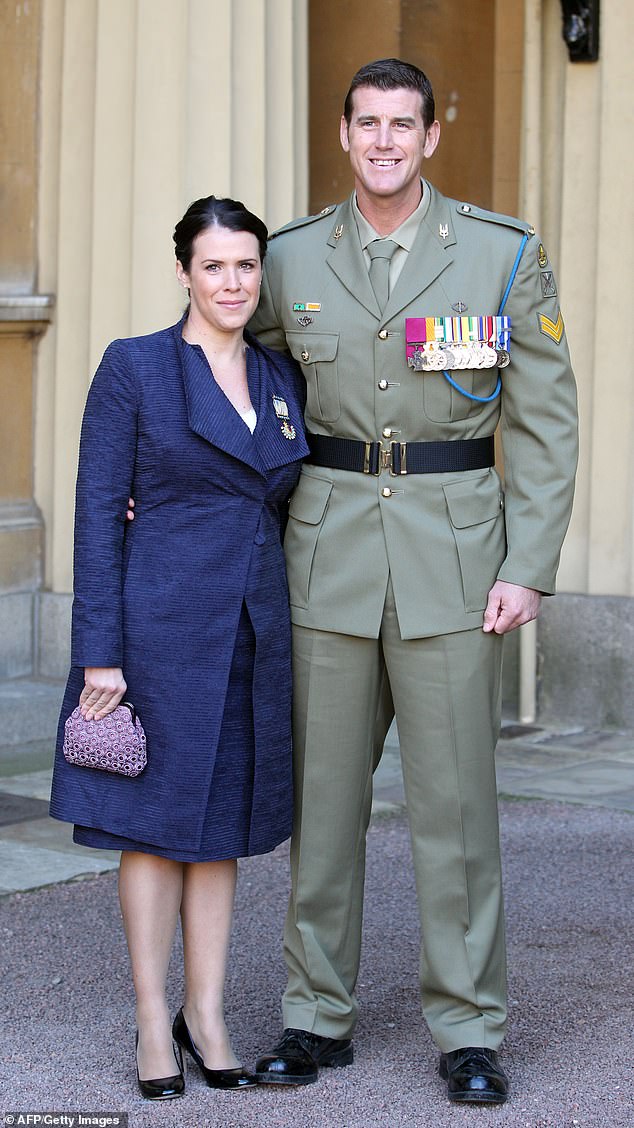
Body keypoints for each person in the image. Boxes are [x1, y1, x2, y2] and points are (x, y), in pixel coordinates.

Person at [249, 59, 578, 1104]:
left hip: (456, 561)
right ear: (344, 136)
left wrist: (528, 567)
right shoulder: (287, 259)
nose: (385, 141)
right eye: (368, 124)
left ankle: (469, 1028)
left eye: (403, 124)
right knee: (323, 803)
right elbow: (239, 384)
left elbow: (544, 423)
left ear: (431, 136)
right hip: (327, 556)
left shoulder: (501, 253)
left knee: (457, 810)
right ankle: (315, 1014)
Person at [49, 195, 309, 1100]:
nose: (232, 283)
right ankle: (152, 1016)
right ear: (184, 272)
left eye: (247, 266)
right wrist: (100, 654)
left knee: (219, 831)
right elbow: (96, 513)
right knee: (154, 830)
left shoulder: (280, 376)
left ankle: (207, 1013)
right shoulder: (137, 367)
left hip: (250, 630)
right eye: (214, 266)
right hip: (155, 635)